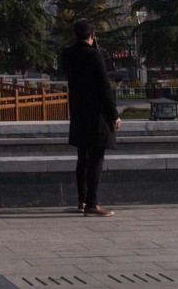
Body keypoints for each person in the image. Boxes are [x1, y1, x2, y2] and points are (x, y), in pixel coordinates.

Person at [58, 19, 118, 216]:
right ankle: (93, 203)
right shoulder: (94, 55)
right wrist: (113, 115)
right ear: (92, 35)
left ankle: (82, 201)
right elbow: (104, 87)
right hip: (96, 114)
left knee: (82, 157)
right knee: (96, 157)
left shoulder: (68, 55)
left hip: (78, 111)